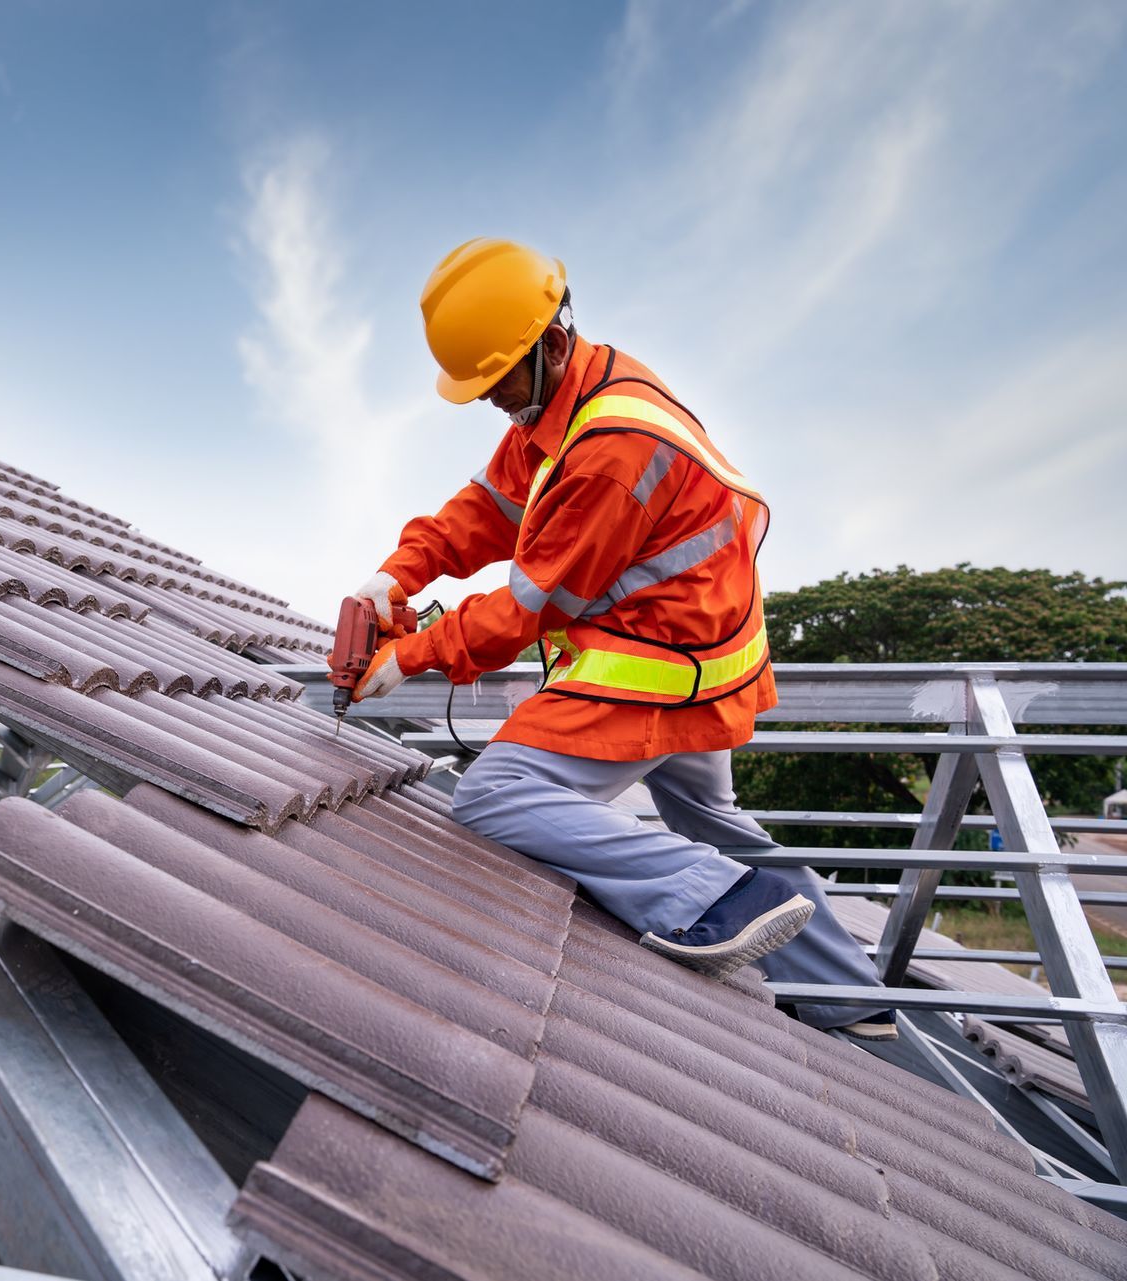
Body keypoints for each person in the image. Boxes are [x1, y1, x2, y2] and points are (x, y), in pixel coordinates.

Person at [351, 238, 894, 1040]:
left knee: (496, 793)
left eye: (497, 380)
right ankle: (851, 993)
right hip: (708, 646)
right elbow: (484, 511)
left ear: (551, 341)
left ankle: (715, 901)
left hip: (663, 658)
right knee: (714, 820)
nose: (492, 401)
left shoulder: (611, 447)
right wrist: (393, 579)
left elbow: (533, 604)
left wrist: (410, 653)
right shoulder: (571, 396)